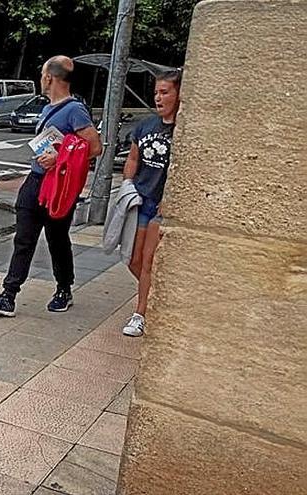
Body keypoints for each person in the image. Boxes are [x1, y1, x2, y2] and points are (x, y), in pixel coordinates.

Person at [0, 56, 102, 317]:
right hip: (34, 182)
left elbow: (94, 147)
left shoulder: (75, 110)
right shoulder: (48, 108)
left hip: (57, 187)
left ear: (49, 78)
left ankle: (64, 289)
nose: (41, 79)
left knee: (57, 240)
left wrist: (59, 158)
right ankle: (8, 295)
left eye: (42, 75)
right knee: (23, 239)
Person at [121, 69, 182, 337]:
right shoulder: (145, 126)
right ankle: (158, 295)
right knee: (133, 260)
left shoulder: (183, 131)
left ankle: (140, 313)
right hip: (141, 202)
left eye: (165, 92)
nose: (158, 97)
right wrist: (127, 184)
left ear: (179, 94)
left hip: (162, 206)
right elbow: (133, 159)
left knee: (147, 262)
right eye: (156, 92)